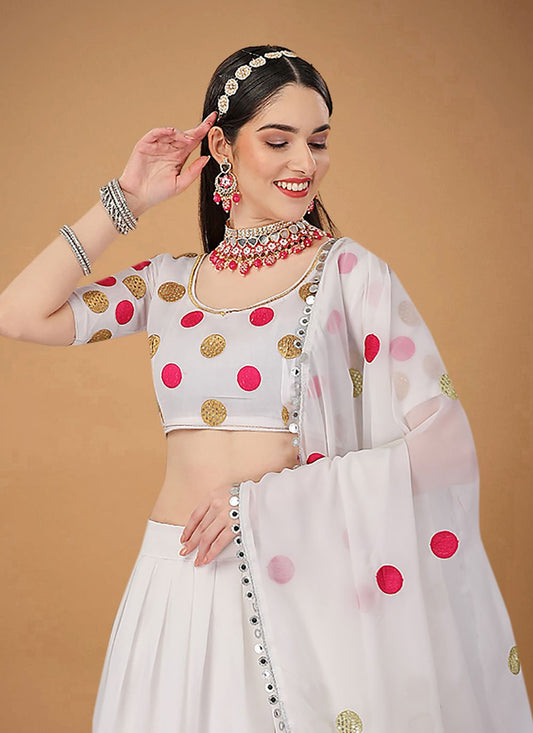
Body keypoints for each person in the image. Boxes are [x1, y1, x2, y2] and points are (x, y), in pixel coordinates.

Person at [0, 44, 531, 733]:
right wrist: (125, 200)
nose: (304, 162)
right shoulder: (168, 284)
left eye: (318, 141)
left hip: (297, 581)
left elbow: (441, 449)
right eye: (278, 141)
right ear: (221, 146)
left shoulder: (349, 275)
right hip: (175, 584)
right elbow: (19, 314)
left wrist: (258, 505)